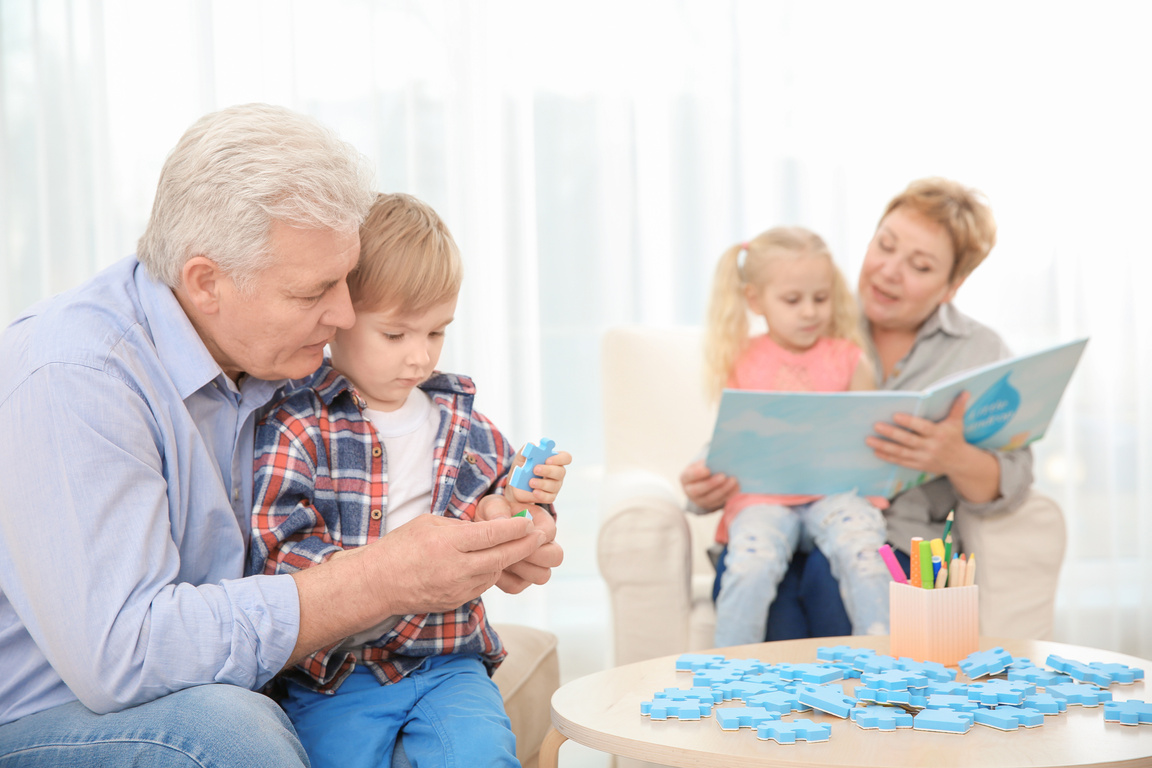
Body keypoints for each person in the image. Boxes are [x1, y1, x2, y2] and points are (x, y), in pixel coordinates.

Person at [0, 104, 560, 766]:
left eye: (346, 282)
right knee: (228, 727)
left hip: (231, 676)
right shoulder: (76, 374)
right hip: (54, 713)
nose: (345, 314)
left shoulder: (284, 366)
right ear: (206, 282)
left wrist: (489, 537)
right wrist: (377, 581)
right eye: (314, 292)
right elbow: (124, 656)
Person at [247, 192, 572, 768]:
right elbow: (275, 554)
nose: (419, 358)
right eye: (395, 335)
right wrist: (374, 582)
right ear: (340, 314)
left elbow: (502, 514)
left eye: (436, 333)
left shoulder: (463, 422)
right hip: (337, 676)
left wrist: (519, 512)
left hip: (450, 663)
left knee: (483, 755)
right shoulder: (298, 424)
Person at [682, 177, 1028, 638]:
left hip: (887, 535)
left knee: (839, 592)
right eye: (884, 246)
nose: (889, 271)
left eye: (920, 266)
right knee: (765, 608)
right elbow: (752, 422)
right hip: (774, 520)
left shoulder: (978, 352)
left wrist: (953, 456)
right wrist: (706, 483)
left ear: (952, 285)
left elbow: (1015, 481)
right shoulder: (812, 315)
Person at [701, 226, 889, 646]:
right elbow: (731, 438)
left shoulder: (849, 358)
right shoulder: (741, 359)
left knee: (866, 555)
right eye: (792, 300)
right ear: (755, 300)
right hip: (764, 496)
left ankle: (886, 663)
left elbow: (867, 439)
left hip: (838, 493)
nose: (809, 312)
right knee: (749, 566)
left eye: (820, 298)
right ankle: (730, 674)